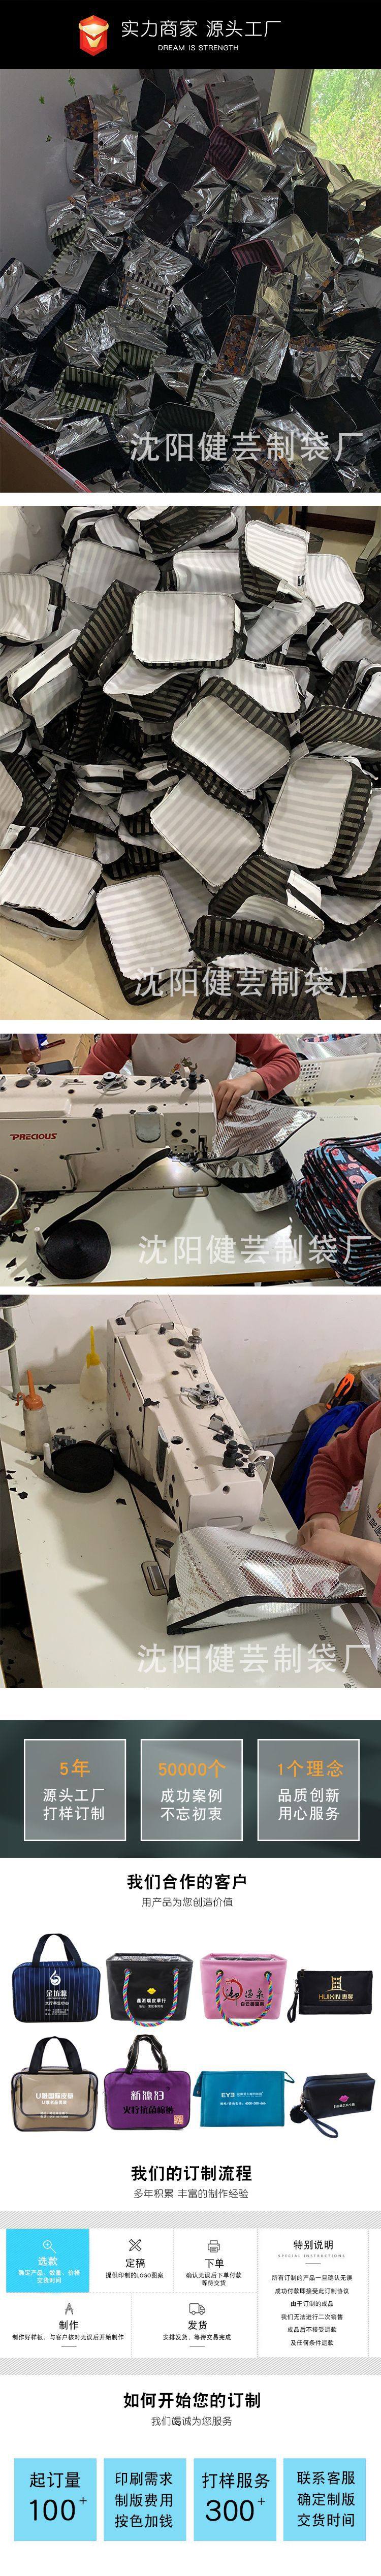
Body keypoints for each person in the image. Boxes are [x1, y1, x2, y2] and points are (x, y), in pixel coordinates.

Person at [298, 1401, 381, 1605]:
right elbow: (334, 1465)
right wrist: (323, 1515)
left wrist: (354, 1551)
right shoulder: (378, 1419)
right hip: (358, 1589)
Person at [81, 1030, 300, 1108]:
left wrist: (249, 1080)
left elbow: (288, 1062)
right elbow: (87, 1083)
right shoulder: (126, 1030)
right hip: (149, 1114)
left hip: (211, 1111)